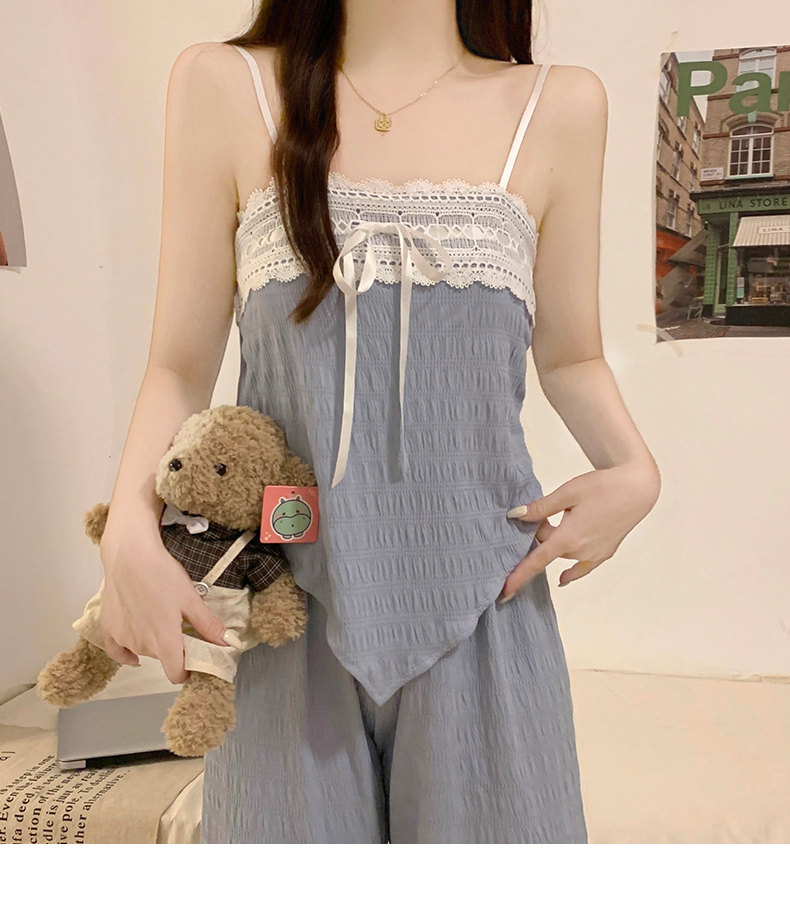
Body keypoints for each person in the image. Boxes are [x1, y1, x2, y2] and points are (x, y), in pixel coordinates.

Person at [98, 0, 661, 843]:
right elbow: (178, 365)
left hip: (485, 601)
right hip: (283, 607)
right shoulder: (222, 87)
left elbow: (573, 357)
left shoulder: (560, 107)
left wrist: (636, 471)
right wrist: (127, 530)